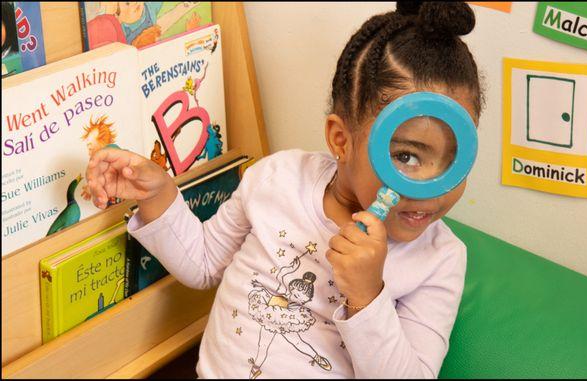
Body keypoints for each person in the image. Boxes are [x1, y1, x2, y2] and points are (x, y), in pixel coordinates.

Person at [86, 2, 484, 378]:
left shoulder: (440, 260)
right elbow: (203, 263)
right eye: (407, 157)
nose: (433, 191)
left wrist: (367, 295)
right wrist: (157, 195)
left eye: (454, 159)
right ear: (341, 140)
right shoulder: (277, 178)